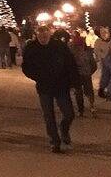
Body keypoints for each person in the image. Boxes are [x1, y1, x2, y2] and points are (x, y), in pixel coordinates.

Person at [22, 24, 78, 153]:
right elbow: (26, 67)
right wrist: (37, 76)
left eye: (45, 36)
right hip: (44, 86)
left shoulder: (59, 46)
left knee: (69, 113)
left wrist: (74, 83)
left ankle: (64, 129)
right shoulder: (31, 48)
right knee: (48, 115)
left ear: (49, 35)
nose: (43, 39)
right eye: (40, 37)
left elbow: (71, 64)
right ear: (36, 36)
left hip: (61, 85)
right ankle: (54, 141)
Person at [69, 31, 97, 118]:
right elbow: (93, 65)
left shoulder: (73, 53)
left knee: (83, 92)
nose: (78, 47)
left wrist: (89, 72)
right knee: (82, 92)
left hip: (83, 75)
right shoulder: (85, 53)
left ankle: (86, 108)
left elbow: (93, 65)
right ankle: (85, 108)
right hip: (81, 75)